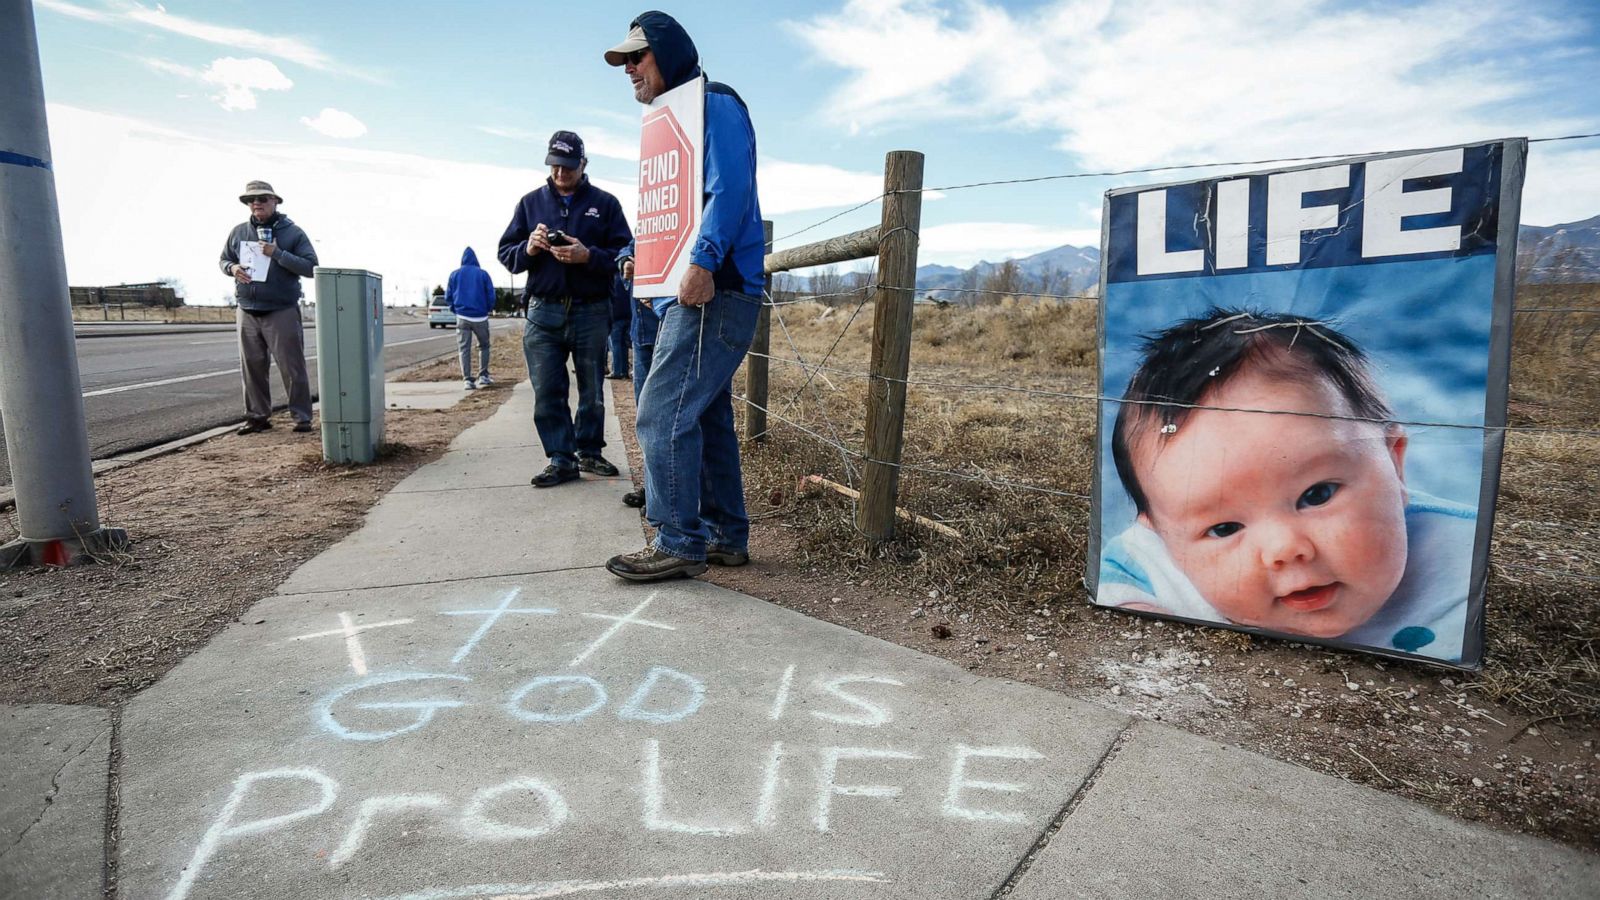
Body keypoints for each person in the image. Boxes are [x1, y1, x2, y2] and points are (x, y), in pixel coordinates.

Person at [1098, 307, 1474, 661]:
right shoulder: (1156, 557)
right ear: (1163, 536)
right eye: (1225, 528)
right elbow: (1121, 579)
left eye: (1317, 495)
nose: (1285, 548)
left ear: (1394, 464)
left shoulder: (1459, 552)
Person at [603, 12, 764, 581]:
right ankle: (725, 535)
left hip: (716, 291)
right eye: (623, 61)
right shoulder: (672, 122)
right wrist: (650, 275)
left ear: (667, 55)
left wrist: (701, 262)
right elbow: (668, 211)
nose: (628, 70)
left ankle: (677, 540)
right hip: (685, 295)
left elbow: (732, 189)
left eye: (637, 57)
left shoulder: (713, 103)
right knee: (706, 415)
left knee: (659, 411)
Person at [497, 131, 632, 487]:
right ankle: (561, 458)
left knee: (592, 388)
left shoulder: (606, 204)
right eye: (555, 166)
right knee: (547, 389)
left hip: (591, 310)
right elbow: (507, 257)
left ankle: (589, 451)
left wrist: (587, 255)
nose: (560, 173)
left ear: (583, 165)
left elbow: (624, 254)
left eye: (568, 167)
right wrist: (529, 249)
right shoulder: (529, 204)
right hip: (544, 312)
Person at [218, 180, 317, 435]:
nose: (256, 204)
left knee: (291, 367)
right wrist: (233, 269)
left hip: (280, 309)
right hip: (247, 309)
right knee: (251, 367)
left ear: (275, 201)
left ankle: (302, 417)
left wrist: (278, 254)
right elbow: (224, 259)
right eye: (251, 200)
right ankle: (257, 417)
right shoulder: (239, 232)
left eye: (262, 199)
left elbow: (310, 267)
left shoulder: (292, 232)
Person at [621, 272, 657, 511]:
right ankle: (655, 487)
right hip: (643, 330)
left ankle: (671, 495)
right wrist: (626, 261)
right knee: (647, 416)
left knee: (668, 416)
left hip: (672, 320)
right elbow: (627, 249)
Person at [447, 247, 496, 390]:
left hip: (462, 316)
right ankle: (483, 376)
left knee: (464, 349)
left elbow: (448, 297)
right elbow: (491, 295)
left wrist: (455, 310)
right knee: (484, 346)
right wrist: (487, 308)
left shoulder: (454, 275)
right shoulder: (483, 274)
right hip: (480, 317)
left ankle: (467, 380)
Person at [606, 272, 632, 379]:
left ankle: (616, 370)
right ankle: (624, 371)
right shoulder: (626, 280)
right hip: (628, 315)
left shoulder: (613, 280)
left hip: (616, 316)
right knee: (623, 345)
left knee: (615, 344)